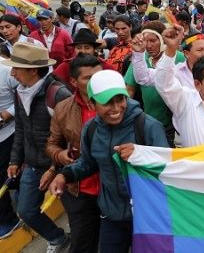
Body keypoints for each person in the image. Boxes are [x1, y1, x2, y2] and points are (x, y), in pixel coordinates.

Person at [48, 70, 169, 252]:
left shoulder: (148, 126)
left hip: (147, 218)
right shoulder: (91, 129)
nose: (116, 108)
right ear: (92, 103)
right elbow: (88, 163)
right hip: (111, 216)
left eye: (120, 99)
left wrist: (141, 154)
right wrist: (64, 176)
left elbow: (167, 169)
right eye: (107, 102)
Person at [4, 42, 72, 252]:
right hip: (33, 164)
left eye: (17, 68)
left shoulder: (59, 94)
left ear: (33, 70)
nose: (12, 73)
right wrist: (15, 160)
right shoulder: (19, 92)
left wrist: (54, 169)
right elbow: (21, 129)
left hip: (63, 168)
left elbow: (71, 140)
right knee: (26, 210)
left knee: (76, 212)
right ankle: (58, 238)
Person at [46, 54, 103, 252]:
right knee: (81, 244)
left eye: (99, 75)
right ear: (73, 81)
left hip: (113, 189)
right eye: (88, 78)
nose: (95, 81)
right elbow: (52, 143)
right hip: (79, 191)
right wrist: (59, 155)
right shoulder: (62, 109)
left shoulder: (119, 106)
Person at [126, 22, 186, 147]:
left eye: (153, 41)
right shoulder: (141, 59)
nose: (148, 46)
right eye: (145, 41)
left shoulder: (180, 58)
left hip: (177, 124)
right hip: (150, 121)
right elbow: (140, 80)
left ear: (162, 41)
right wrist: (138, 54)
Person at [0, 48, 18, 236]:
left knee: (12, 174)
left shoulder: (6, 69)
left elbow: (25, 91)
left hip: (9, 135)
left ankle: (8, 220)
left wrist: (7, 114)